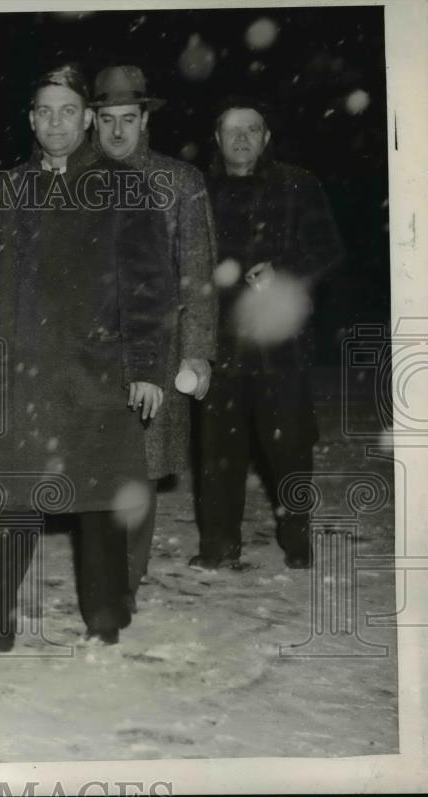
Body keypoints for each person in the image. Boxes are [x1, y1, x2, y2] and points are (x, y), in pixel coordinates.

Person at [0, 63, 169, 655]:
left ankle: (105, 621)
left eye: (68, 111)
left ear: (87, 118)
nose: (55, 123)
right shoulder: (8, 188)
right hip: (21, 377)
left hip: (96, 374)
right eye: (44, 111)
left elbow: (148, 288)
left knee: (98, 504)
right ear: (31, 120)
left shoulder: (123, 187)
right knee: (10, 502)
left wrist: (144, 366)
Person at [192, 97, 343, 570]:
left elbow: (327, 248)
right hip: (219, 343)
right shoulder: (198, 191)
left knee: (290, 449)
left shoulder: (298, 184)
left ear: (266, 137)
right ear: (216, 139)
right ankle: (218, 546)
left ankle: (298, 542)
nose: (242, 139)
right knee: (218, 453)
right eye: (232, 130)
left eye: (252, 129)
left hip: (282, 346)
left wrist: (285, 270)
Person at [89, 65, 217, 606]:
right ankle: (101, 573)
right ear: (93, 121)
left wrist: (198, 354)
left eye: (128, 119)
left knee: (138, 467)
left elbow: (198, 279)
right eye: (107, 120)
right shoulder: (71, 179)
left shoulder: (179, 183)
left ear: (145, 121)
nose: (117, 132)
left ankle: (124, 578)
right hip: (87, 351)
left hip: (156, 352)